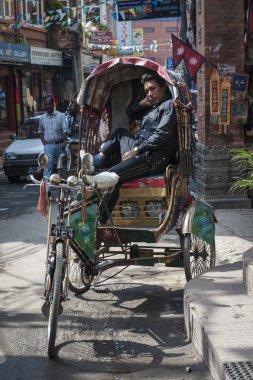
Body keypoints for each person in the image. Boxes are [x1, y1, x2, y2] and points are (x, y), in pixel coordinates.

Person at [82, 72, 178, 223]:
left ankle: (99, 220)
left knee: (112, 177)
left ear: (164, 88)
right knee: (121, 133)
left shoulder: (169, 106)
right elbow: (130, 112)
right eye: (146, 91)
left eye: (152, 89)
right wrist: (143, 103)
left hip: (154, 157)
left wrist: (137, 150)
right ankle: (97, 160)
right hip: (140, 149)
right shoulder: (151, 107)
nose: (150, 94)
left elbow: (161, 135)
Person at [38, 95, 68, 194]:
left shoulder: (61, 115)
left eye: (49, 104)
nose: (48, 106)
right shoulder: (42, 118)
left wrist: (64, 142)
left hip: (60, 145)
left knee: (62, 167)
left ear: (53, 104)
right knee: (47, 167)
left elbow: (65, 130)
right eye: (46, 104)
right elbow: (40, 131)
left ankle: (63, 189)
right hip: (48, 146)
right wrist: (43, 140)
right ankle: (47, 190)